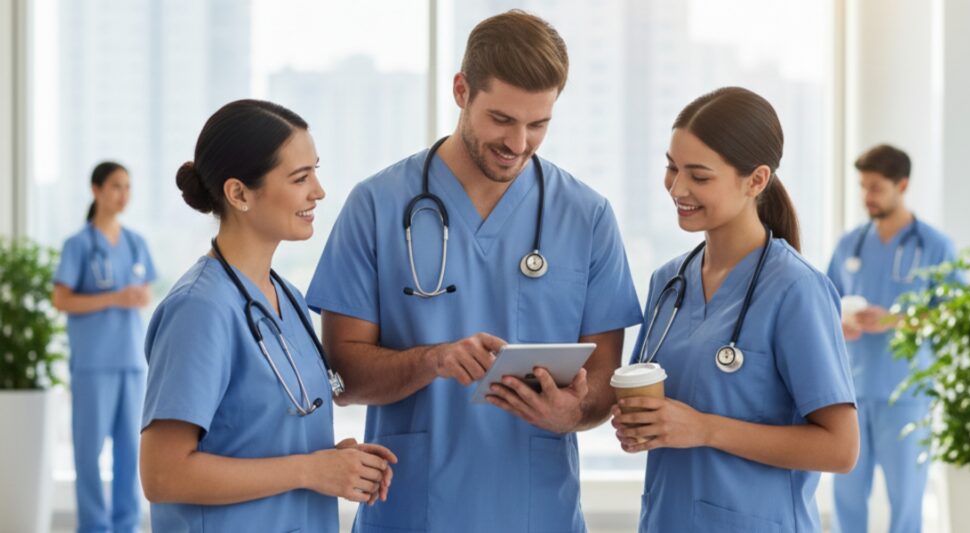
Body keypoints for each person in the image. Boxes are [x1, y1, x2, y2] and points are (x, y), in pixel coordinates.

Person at [306, 10, 642, 533]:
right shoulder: (377, 205)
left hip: (538, 515)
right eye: (502, 119)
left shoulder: (587, 216)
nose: (518, 143)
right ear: (461, 90)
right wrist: (433, 360)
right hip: (411, 512)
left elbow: (603, 381)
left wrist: (573, 413)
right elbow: (342, 379)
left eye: (538, 124)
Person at [138, 99, 395, 532]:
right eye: (300, 177)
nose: (319, 191)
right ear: (239, 193)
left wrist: (335, 462)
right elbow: (163, 474)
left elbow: (263, 438)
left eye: (315, 171)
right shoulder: (199, 309)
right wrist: (310, 470)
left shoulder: (287, 297)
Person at [611, 87, 860, 532]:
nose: (678, 188)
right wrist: (639, 424)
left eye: (699, 176)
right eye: (672, 167)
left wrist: (705, 429)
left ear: (756, 180)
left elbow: (841, 449)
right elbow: (657, 410)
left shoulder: (797, 290)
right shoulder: (668, 282)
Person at [829, 144, 957, 533]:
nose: (866, 196)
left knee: (906, 499)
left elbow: (953, 314)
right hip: (851, 392)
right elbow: (823, 306)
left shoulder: (934, 246)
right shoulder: (850, 244)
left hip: (906, 393)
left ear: (902, 186)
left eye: (876, 188)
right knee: (847, 495)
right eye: (863, 187)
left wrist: (896, 319)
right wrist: (839, 325)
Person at [52, 161, 156, 533]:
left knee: (130, 450)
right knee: (88, 452)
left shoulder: (135, 243)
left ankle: (126, 525)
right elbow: (61, 299)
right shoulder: (79, 245)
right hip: (94, 363)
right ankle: (94, 526)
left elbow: (145, 292)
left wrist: (135, 297)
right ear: (96, 190)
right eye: (115, 186)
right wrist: (114, 298)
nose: (123, 195)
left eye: (128, 187)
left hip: (130, 361)